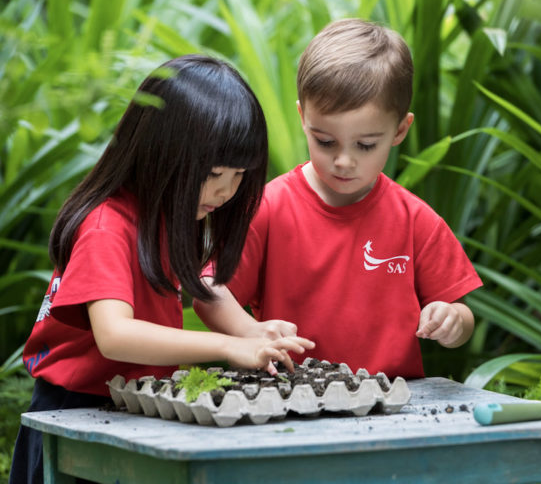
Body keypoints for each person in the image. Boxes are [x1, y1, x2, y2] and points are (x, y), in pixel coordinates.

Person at [10, 54, 314, 484]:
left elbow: (202, 288)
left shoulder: (171, 214)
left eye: (240, 175)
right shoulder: (107, 226)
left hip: (132, 410)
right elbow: (116, 336)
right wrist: (225, 347)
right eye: (213, 172)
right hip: (73, 418)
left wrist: (250, 332)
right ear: (161, 152)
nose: (227, 190)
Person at [195, 19, 482, 379]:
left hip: (392, 404)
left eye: (365, 145)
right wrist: (249, 332)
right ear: (303, 117)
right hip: (287, 397)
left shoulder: (415, 219)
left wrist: (452, 320)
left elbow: (462, 314)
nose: (344, 161)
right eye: (325, 141)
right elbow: (209, 290)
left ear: (400, 130)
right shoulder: (268, 207)